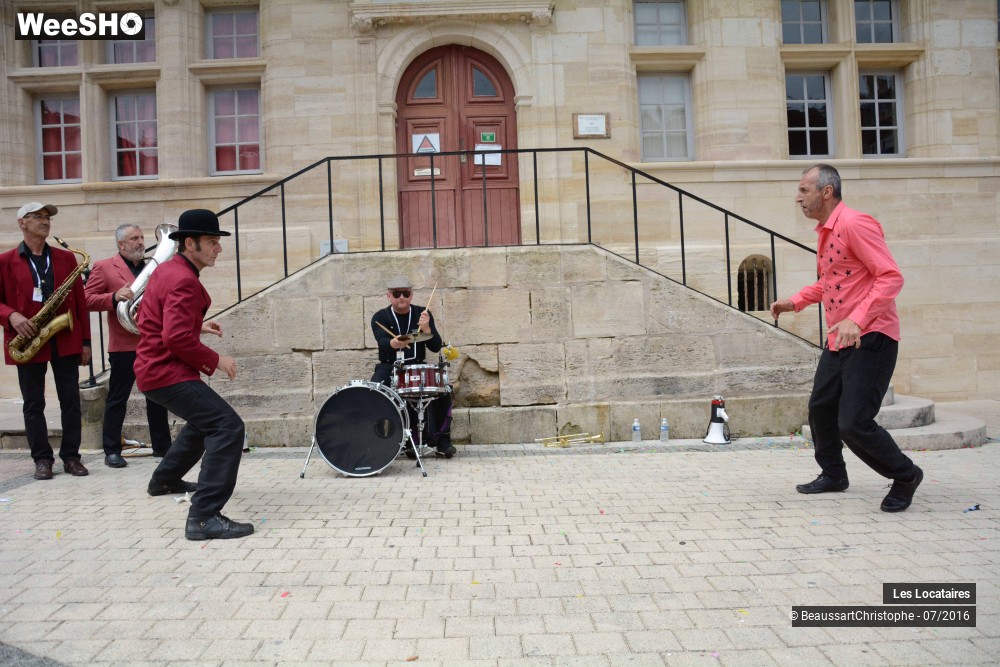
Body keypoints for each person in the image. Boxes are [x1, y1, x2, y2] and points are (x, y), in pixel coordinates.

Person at [770, 164, 922, 513]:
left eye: (804, 190)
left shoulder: (855, 223)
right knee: (821, 409)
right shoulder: (825, 231)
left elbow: (890, 277)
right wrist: (795, 302)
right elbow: (831, 282)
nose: (798, 197)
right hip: (840, 339)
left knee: (853, 422)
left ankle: (906, 475)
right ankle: (834, 474)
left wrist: (858, 318)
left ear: (826, 192)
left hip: (872, 336)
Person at [135, 209, 253, 540]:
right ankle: (203, 517)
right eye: (212, 242)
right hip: (165, 372)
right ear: (190, 243)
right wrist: (216, 360)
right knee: (228, 426)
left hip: (154, 370)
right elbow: (174, 338)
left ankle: (165, 480)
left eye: (218, 242)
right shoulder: (183, 279)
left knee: (205, 421)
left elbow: (155, 317)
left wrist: (196, 324)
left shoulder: (169, 269)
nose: (218, 248)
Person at [0, 202, 91, 480]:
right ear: (21, 223)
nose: (44, 221)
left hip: (63, 337)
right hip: (26, 339)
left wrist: (85, 341)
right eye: (37, 217)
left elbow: (80, 302)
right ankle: (42, 459)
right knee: (33, 403)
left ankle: (71, 457)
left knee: (70, 400)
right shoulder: (4, 261)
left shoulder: (65, 258)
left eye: (47, 217)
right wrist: (11, 315)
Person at [85, 224, 173, 468]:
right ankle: (112, 450)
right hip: (124, 344)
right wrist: (113, 297)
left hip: (152, 340)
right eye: (134, 238)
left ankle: (162, 446)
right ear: (121, 245)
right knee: (118, 398)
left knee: (157, 396)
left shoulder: (152, 266)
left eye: (142, 237)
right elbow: (86, 299)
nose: (140, 242)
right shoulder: (104, 267)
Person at [371, 275, 456, 458]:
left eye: (405, 293)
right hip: (390, 367)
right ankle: (382, 441)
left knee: (444, 390)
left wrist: (426, 329)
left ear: (411, 295)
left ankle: (441, 441)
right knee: (373, 393)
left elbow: (435, 346)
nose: (401, 297)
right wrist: (394, 343)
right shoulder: (380, 317)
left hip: (417, 365)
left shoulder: (422, 314)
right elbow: (382, 342)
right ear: (389, 296)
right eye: (396, 294)